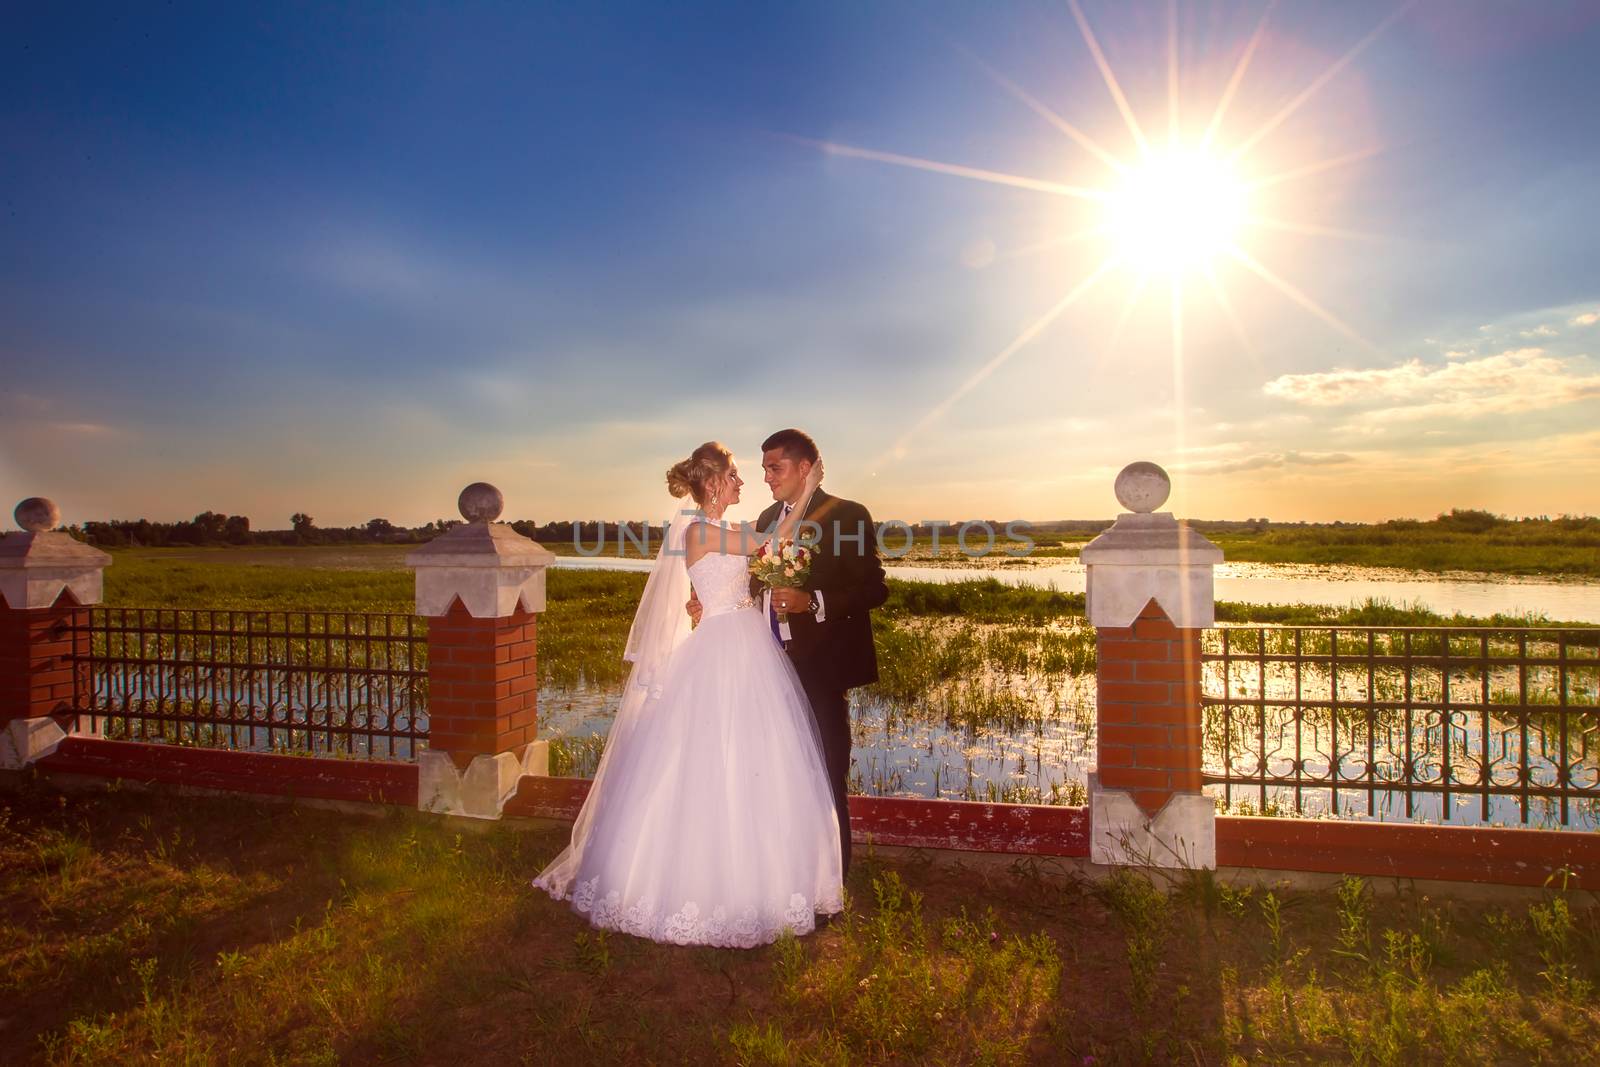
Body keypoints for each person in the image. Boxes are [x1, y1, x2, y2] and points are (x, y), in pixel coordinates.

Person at [533, 442, 843, 947]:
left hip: (744, 640)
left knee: (753, 760)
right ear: (715, 481)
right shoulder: (697, 529)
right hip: (724, 646)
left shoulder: (727, 530)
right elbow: (772, 542)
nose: (744, 483)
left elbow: (756, 557)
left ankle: (763, 884)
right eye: (737, 475)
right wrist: (807, 490)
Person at [748, 428, 889, 878]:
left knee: (827, 775)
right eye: (765, 468)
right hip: (767, 668)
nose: (767, 477)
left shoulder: (848, 515)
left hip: (822, 672)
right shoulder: (767, 517)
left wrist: (814, 602)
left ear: (804, 468)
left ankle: (832, 884)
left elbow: (874, 587)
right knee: (773, 777)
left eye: (776, 467)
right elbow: (749, 583)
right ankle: (783, 876)